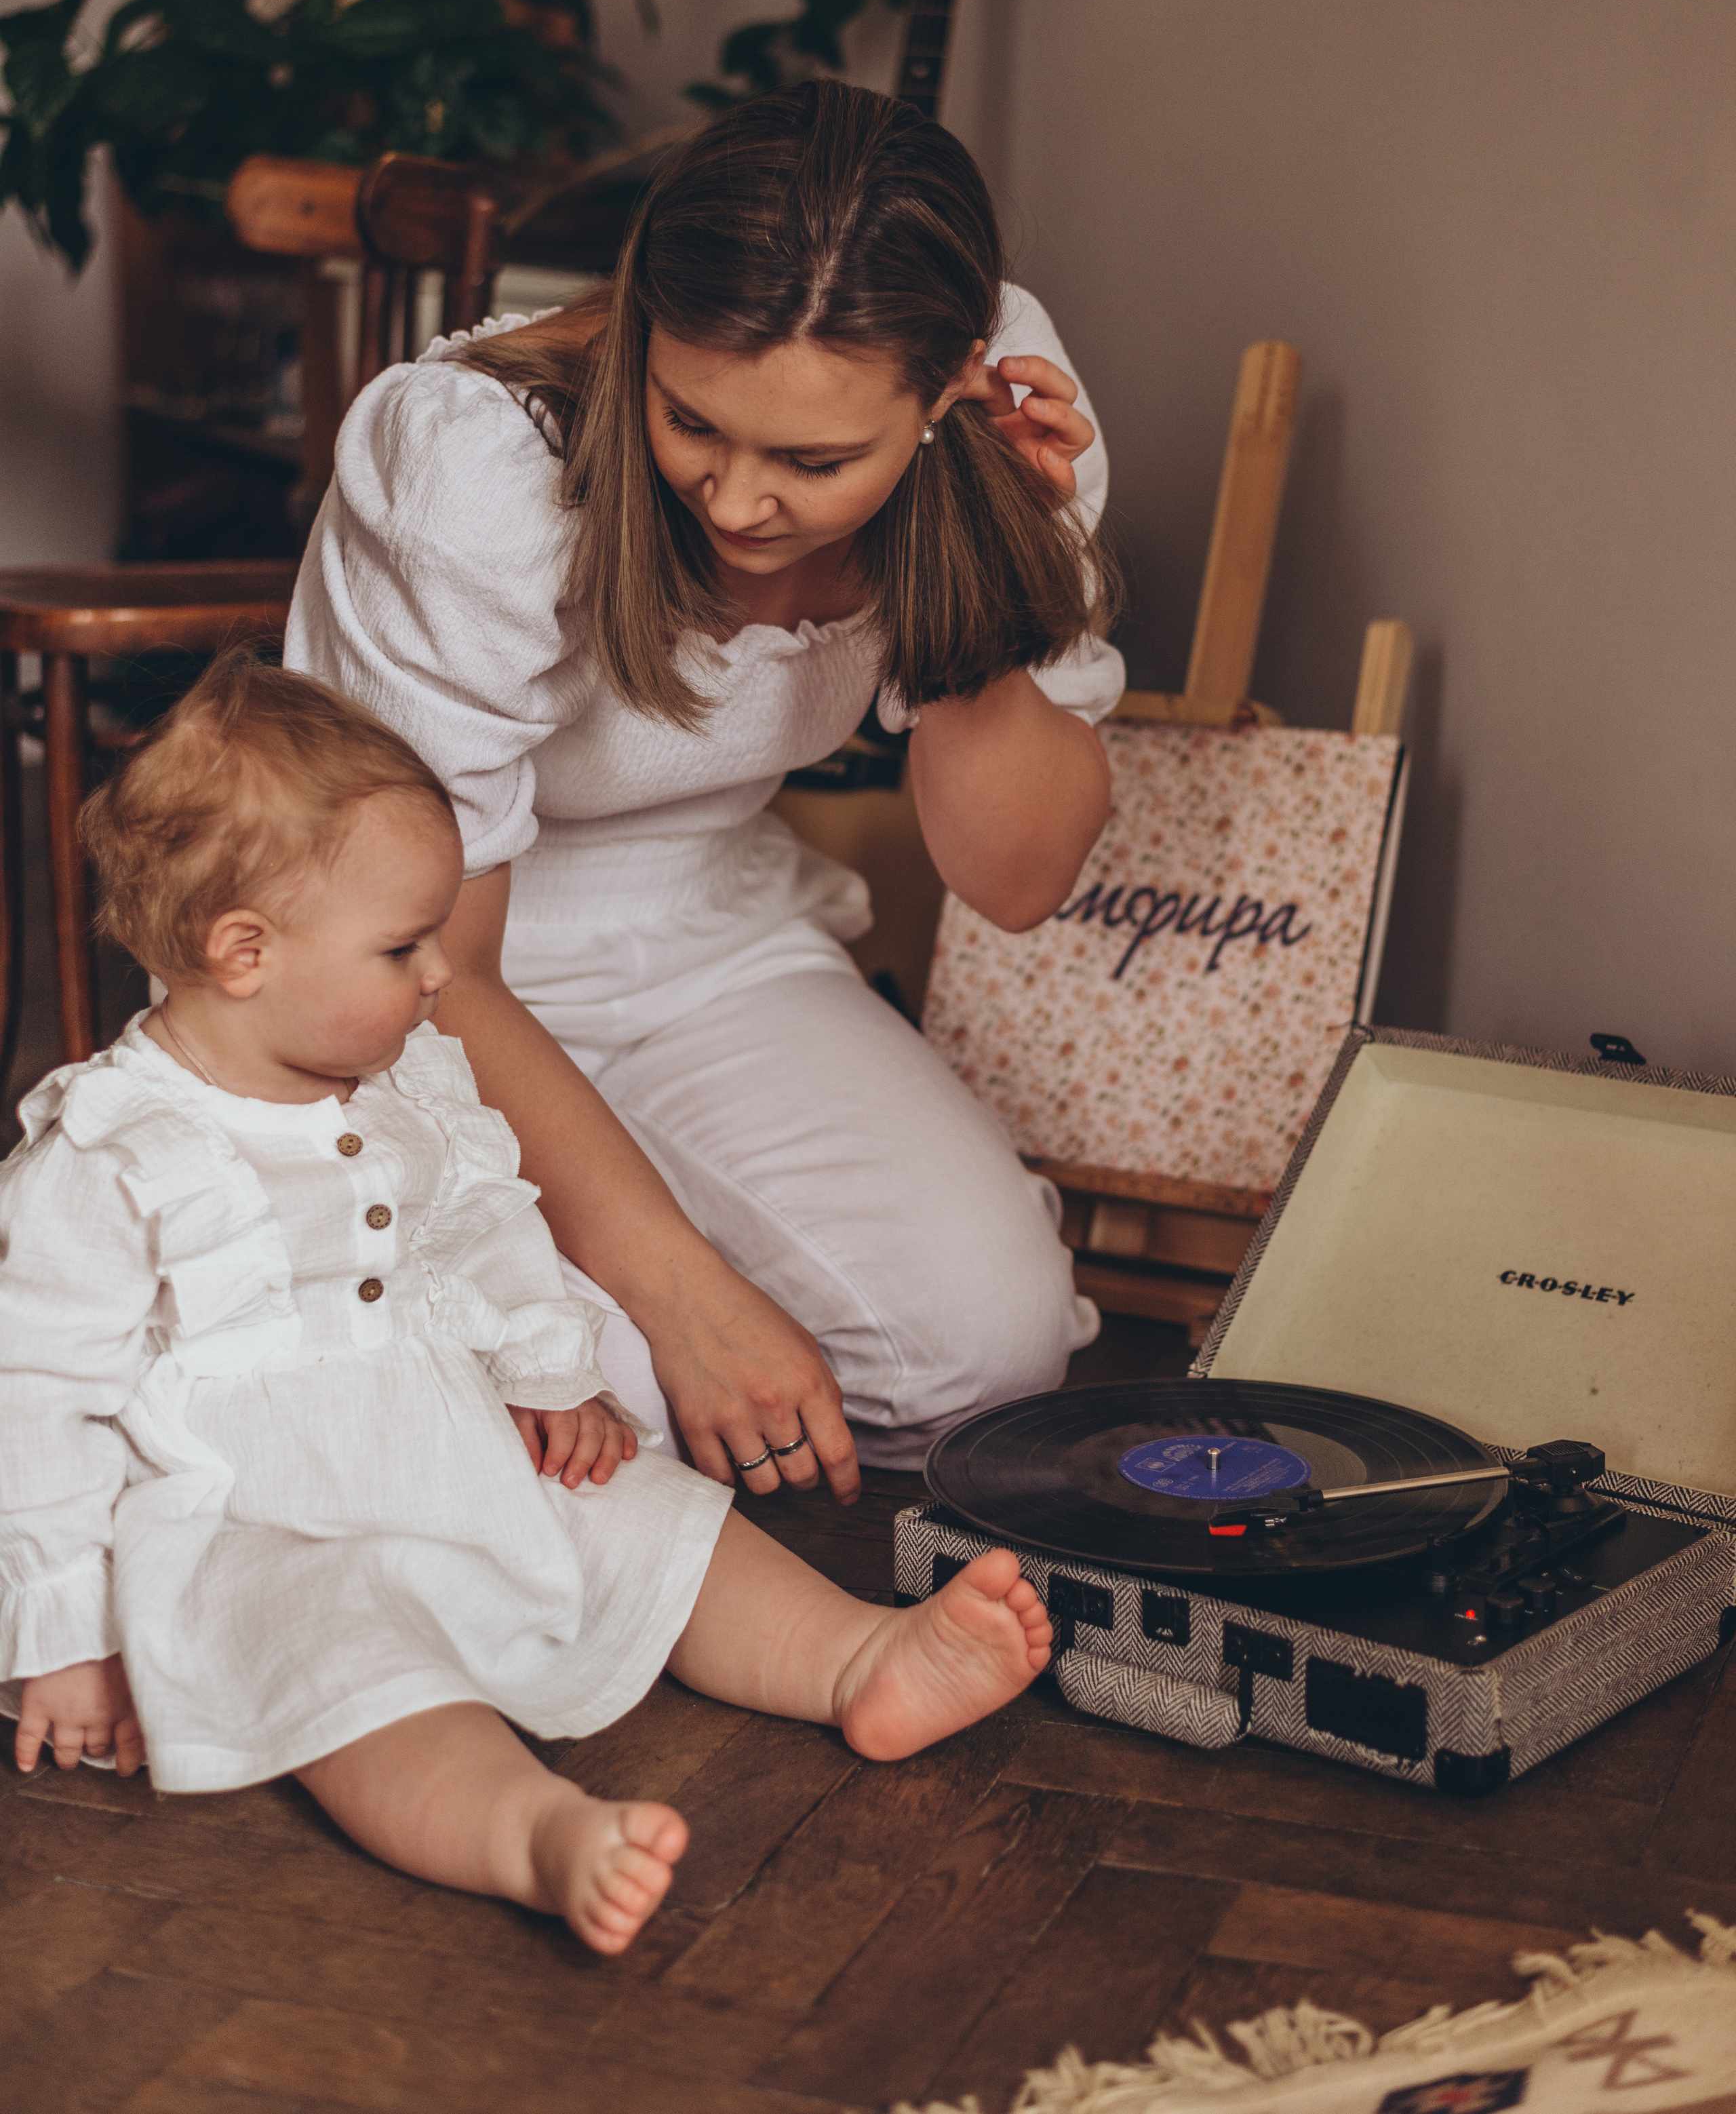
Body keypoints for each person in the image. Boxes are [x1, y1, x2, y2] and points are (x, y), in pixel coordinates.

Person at [0, 657, 1052, 1956]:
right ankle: (532, 1829)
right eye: (403, 947)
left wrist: (550, 1369)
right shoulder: (110, 1154)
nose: (443, 971)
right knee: (351, 1656)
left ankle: (855, 1659)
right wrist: (62, 1636)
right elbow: (35, 1403)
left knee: (643, 1513)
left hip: (450, 1446)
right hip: (259, 1520)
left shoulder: (403, 1080)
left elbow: (483, 1224)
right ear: (245, 952)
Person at [288, 80, 1124, 1501]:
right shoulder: (474, 461)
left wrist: (983, 549)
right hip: (395, 975)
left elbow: (1017, 878)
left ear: (942, 388)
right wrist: (682, 1290)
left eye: (814, 461)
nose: (736, 503)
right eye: (691, 422)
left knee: (981, 1355)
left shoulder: (1005, 390)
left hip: (707, 926)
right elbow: (435, 964)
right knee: (599, 1407)